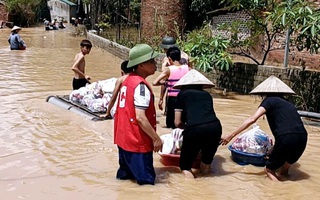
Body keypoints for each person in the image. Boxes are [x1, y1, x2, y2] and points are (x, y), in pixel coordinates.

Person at [220, 75, 308, 181]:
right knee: (284, 171)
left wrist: (230, 136)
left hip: (285, 138)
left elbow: (252, 119)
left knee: (269, 170)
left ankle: (277, 194)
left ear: (264, 93)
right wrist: (274, 148)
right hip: (302, 137)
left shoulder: (269, 101)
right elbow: (288, 128)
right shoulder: (289, 104)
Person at [113, 44, 163, 185]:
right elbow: (140, 117)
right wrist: (156, 138)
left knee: (124, 179)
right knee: (147, 184)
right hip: (137, 143)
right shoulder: (141, 86)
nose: (155, 65)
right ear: (141, 65)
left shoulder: (127, 80)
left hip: (123, 140)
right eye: (151, 62)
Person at [173, 69, 222, 179]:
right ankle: (206, 189)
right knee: (206, 163)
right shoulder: (207, 95)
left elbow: (177, 122)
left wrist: (188, 128)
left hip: (195, 129)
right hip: (215, 128)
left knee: (185, 167)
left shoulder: (182, 94)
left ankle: (192, 193)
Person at [152, 46, 190, 128]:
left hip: (173, 100)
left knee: (171, 124)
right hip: (185, 98)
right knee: (183, 123)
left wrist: (167, 83)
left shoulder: (168, 70)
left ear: (169, 59)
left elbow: (154, 82)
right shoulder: (188, 69)